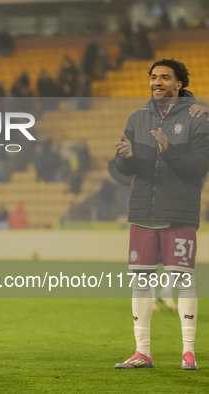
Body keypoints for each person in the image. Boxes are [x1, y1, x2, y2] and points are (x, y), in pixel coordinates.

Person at [114, 59, 209, 370]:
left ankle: (188, 352)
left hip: (179, 211)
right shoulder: (137, 117)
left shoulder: (198, 118)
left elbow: (199, 167)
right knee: (141, 281)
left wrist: (169, 151)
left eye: (165, 78)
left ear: (178, 84)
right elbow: (126, 170)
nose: (157, 82)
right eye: (153, 77)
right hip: (143, 210)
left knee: (184, 279)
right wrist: (125, 159)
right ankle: (142, 352)